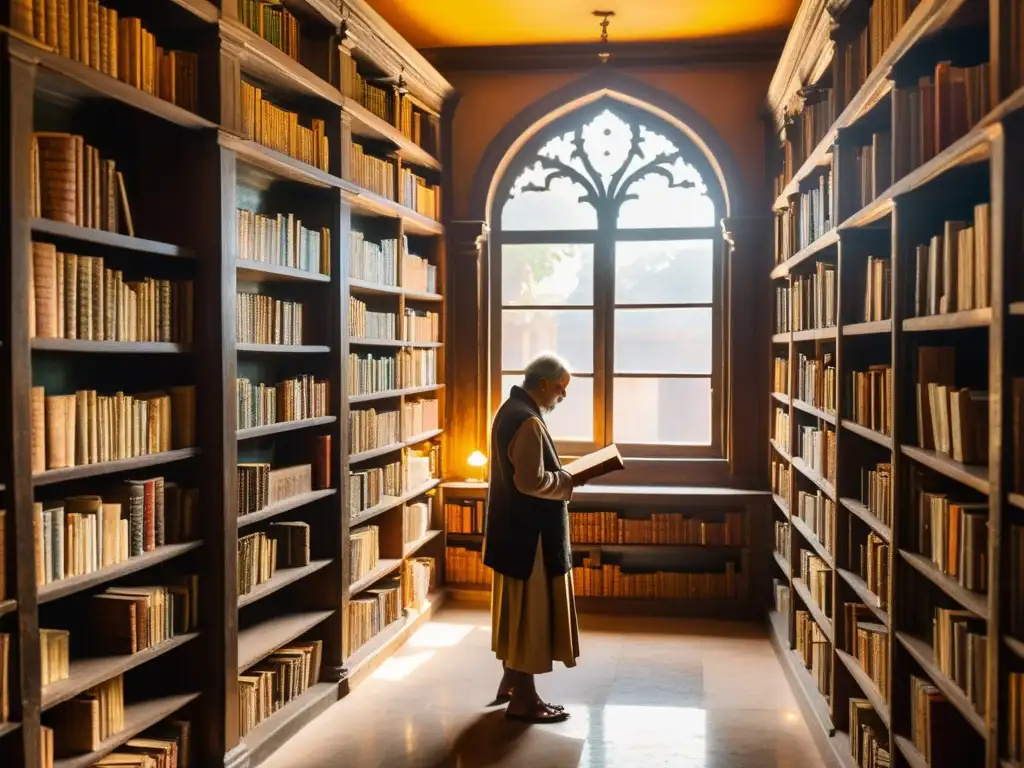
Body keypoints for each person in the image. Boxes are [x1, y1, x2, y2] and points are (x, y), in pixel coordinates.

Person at [483, 352, 580, 724]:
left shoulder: (509, 410)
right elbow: (530, 482)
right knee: (531, 614)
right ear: (543, 384)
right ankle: (525, 699)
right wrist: (569, 481)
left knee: (518, 611)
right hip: (531, 540)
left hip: (512, 532)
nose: (562, 396)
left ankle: (512, 680)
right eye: (560, 388)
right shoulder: (527, 421)